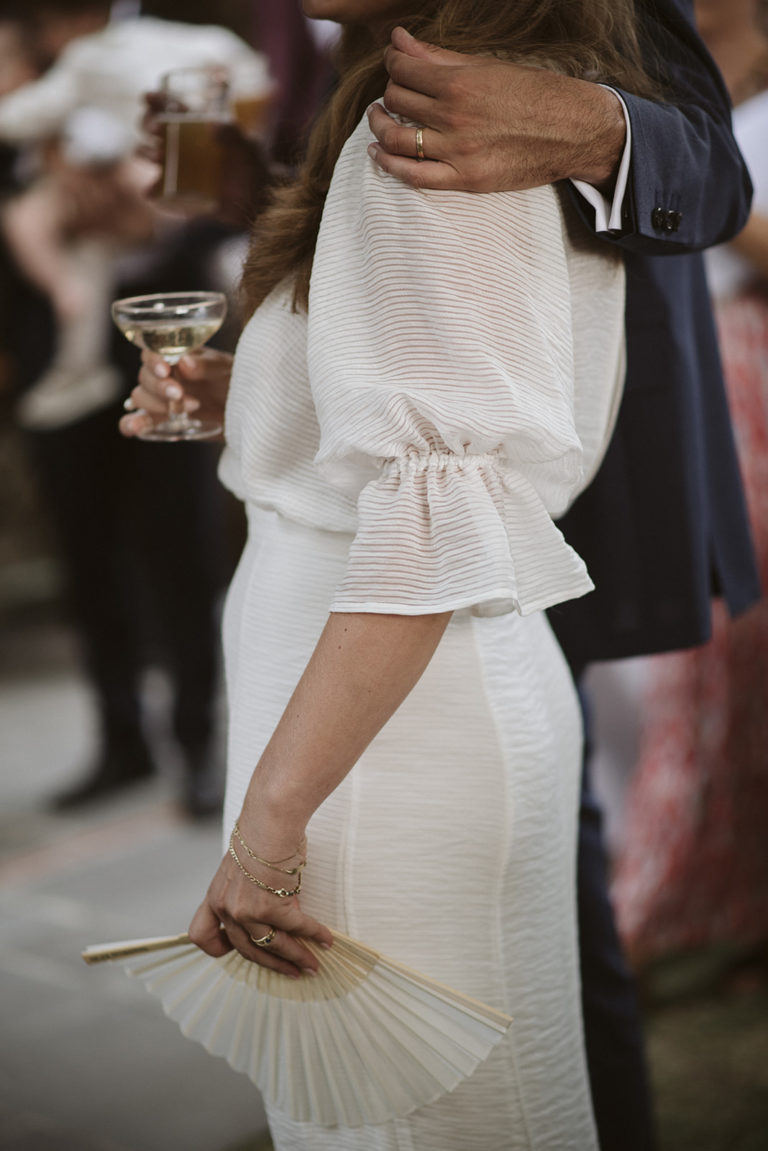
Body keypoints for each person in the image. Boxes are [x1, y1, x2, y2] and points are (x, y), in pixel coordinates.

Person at [126, 2, 758, 1148]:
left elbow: (438, 506)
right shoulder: (412, 73)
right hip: (380, 683)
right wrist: (257, 395)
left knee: (441, 1116)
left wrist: (269, 826)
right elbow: (428, 385)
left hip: (392, 712)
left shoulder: (462, 111)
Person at [612, 0, 768, 972]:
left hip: (745, 372)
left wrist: (684, 169)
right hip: (677, 366)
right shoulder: (674, 98)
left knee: (723, 642)